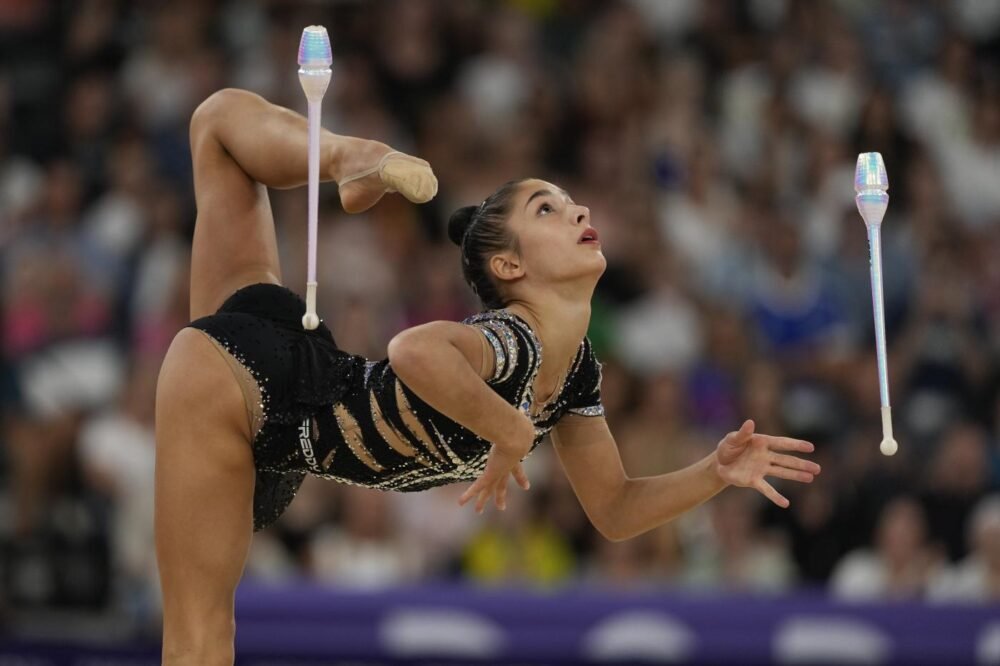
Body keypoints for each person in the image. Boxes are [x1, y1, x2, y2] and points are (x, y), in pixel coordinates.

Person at [154, 88, 821, 665]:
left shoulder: (575, 372)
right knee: (199, 643)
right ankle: (346, 157)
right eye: (550, 210)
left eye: (566, 205)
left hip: (295, 376)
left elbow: (614, 510)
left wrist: (714, 471)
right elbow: (414, 349)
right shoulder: (513, 342)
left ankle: (344, 156)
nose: (581, 213)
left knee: (218, 123)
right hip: (240, 380)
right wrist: (507, 426)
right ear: (509, 269)